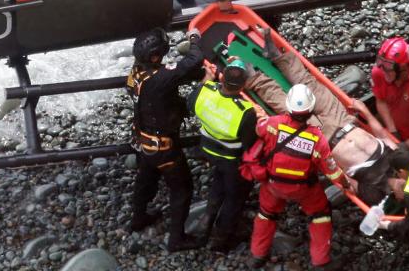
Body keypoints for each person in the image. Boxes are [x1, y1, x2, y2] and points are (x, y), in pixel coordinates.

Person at [245, 37, 396, 205]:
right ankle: (277, 56)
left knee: (287, 107)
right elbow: (383, 135)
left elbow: (347, 183)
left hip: (325, 141)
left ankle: (254, 78)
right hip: (345, 121)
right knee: (311, 86)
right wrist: (365, 111)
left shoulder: (376, 194)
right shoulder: (403, 163)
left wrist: (322, 159)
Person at [249, 84, 346, 270]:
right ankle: (321, 261)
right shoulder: (317, 139)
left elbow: (258, 130)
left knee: (266, 214)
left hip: (273, 184)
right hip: (303, 189)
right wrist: (346, 184)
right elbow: (332, 171)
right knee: (321, 215)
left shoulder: (273, 124)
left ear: (289, 107)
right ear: (311, 110)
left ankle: (257, 255)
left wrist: (260, 115)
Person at [126, 27, 206, 252]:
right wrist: (194, 38)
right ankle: (177, 239)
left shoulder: (136, 73)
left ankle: (138, 218)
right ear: (155, 57)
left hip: (144, 141)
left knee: (145, 180)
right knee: (182, 189)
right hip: (165, 147)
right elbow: (194, 59)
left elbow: (165, 81)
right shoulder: (161, 78)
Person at [187, 58, 258, 251]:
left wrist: (206, 82)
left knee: (218, 183)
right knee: (234, 197)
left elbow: (190, 104)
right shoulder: (246, 112)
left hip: (209, 150)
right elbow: (249, 143)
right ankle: (221, 238)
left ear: (222, 79)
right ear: (243, 85)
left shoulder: (205, 91)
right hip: (232, 159)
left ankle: (207, 220)